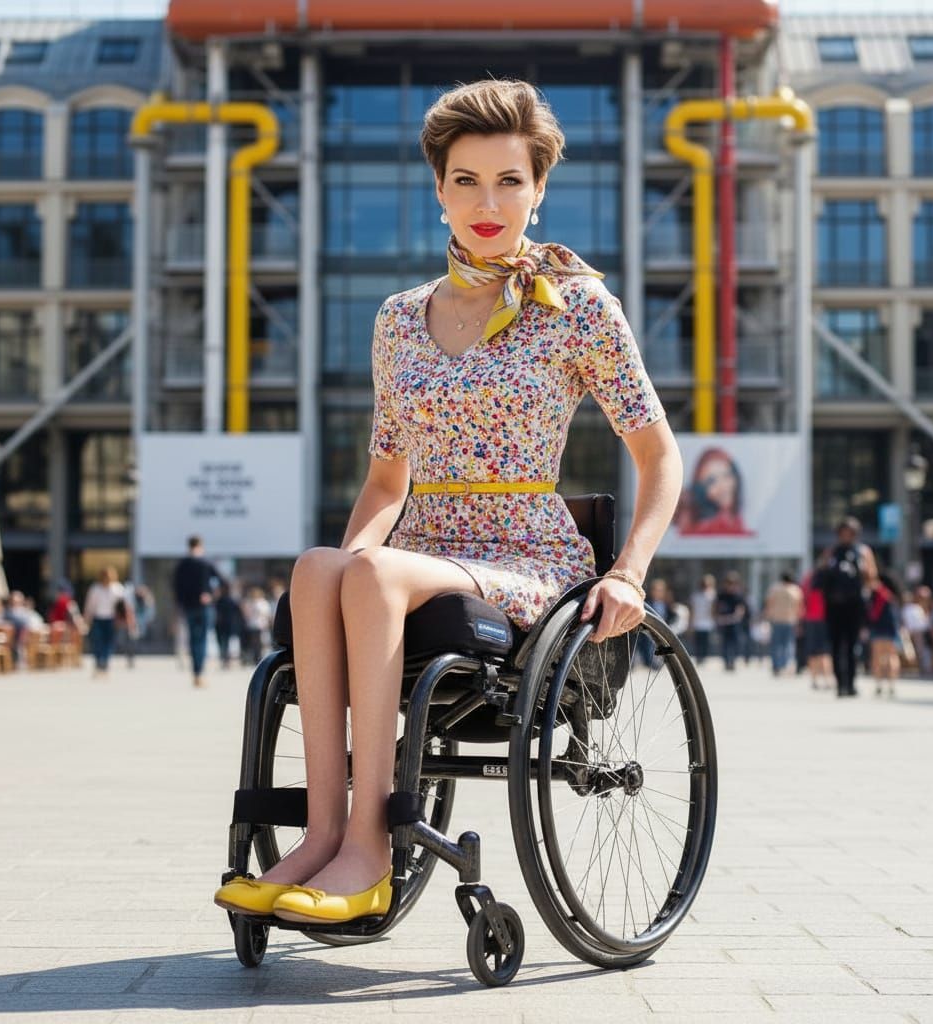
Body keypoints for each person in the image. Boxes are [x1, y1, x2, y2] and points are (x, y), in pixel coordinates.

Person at [214, 79, 682, 925]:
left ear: (539, 190)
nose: (488, 202)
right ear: (439, 191)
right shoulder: (399, 319)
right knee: (320, 568)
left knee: (374, 575)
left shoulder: (577, 307)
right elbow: (388, 482)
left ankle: (370, 847)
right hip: (422, 548)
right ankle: (319, 835)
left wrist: (632, 572)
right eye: (466, 180)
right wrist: (353, 556)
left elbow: (659, 456)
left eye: (509, 180)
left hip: (528, 558)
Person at [818, 516, 877, 698]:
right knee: (836, 645)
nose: (846, 536)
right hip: (834, 604)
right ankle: (840, 683)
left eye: (849, 533)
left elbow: (872, 578)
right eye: (843, 533)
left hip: (854, 605)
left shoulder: (863, 552)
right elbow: (820, 575)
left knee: (852, 645)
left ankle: (850, 682)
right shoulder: (831, 552)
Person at [172, 535, 226, 688]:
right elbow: (222, 582)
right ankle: (199, 673)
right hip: (204, 606)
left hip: (188, 606)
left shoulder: (182, 565)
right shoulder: (206, 562)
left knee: (193, 639)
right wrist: (211, 596)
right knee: (201, 639)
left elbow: (176, 588)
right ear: (201, 546)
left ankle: (195, 672)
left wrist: (179, 606)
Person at [673, 447, 753, 536]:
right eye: (711, 481)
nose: (723, 486)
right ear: (700, 489)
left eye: (726, 475)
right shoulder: (699, 530)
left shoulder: (738, 524)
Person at [83, 566, 126, 679]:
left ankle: (105, 663)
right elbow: (90, 606)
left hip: (111, 619)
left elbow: (122, 607)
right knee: (97, 642)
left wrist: (121, 619)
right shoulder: (95, 589)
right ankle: (98, 662)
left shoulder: (117, 589)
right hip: (98, 619)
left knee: (109, 642)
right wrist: (87, 619)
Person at [865, 573, 901, 698]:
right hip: (891, 629)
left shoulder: (877, 593)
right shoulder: (891, 596)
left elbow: (871, 612)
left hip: (878, 628)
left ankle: (879, 684)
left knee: (877, 657)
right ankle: (892, 684)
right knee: (892, 656)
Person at [764, 571, 804, 676]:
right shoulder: (796, 590)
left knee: (776, 644)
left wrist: (768, 616)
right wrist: (799, 621)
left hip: (776, 619)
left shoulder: (774, 589)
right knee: (788, 644)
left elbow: (768, 603)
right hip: (790, 620)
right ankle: (786, 665)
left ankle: (776, 666)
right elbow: (800, 606)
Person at [800, 566, 832, 691]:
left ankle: (814, 680)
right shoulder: (828, 587)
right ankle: (827, 679)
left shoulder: (808, 584)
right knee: (825, 652)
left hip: (810, 620)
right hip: (824, 620)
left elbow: (802, 602)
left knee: (813, 651)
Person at [715, 572, 746, 672]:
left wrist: (734, 617)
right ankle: (726, 662)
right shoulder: (721, 595)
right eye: (728, 583)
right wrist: (718, 617)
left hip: (734, 623)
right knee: (724, 643)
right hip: (723, 623)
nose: (730, 586)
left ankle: (732, 662)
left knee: (734, 643)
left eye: (732, 583)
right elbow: (716, 607)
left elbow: (741, 609)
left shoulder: (738, 595)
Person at [689, 574, 717, 663]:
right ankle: (701, 657)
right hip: (702, 622)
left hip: (704, 622)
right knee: (701, 642)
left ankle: (701, 657)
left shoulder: (697, 596)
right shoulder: (712, 595)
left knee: (702, 642)